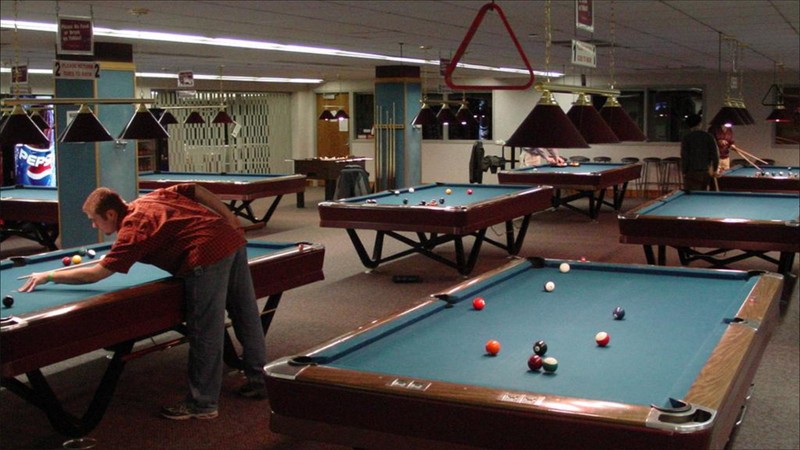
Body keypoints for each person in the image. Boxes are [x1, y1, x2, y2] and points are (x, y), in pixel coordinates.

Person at [19, 184, 268, 420]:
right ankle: (261, 382)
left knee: (205, 331)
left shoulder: (132, 230)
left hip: (205, 255)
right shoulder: (151, 197)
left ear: (110, 213)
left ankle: (202, 404)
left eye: (94, 219)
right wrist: (230, 217)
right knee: (245, 313)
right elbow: (195, 189)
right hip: (230, 240)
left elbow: (96, 273)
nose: (93, 224)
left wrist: (49, 276)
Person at [681, 114, 719, 190]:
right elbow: (715, 155)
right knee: (703, 194)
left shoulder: (686, 138)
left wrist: (684, 171)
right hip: (705, 172)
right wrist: (715, 169)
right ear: (700, 123)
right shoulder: (708, 136)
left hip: (691, 173)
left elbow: (685, 157)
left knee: (691, 196)